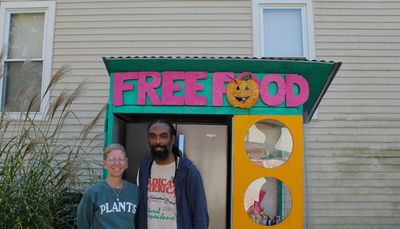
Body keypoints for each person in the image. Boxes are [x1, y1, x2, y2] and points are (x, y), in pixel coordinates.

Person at [136, 119, 209, 229]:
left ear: (172, 139)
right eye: (153, 136)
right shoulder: (144, 169)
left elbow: (200, 215)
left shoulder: (188, 171)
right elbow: (138, 210)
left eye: (163, 136)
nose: (158, 141)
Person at [77, 143, 139, 229]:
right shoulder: (93, 193)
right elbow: (83, 224)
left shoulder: (135, 192)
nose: (117, 163)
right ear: (105, 164)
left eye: (120, 159)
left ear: (126, 163)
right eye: (112, 159)